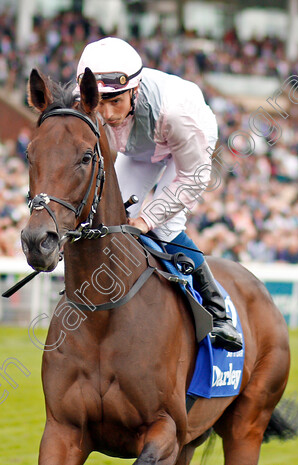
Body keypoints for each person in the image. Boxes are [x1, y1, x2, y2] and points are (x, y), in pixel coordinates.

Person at [75, 37, 242, 352]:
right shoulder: (82, 97)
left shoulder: (179, 114)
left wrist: (145, 220)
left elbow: (193, 177)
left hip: (186, 144)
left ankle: (218, 312)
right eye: (100, 101)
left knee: (163, 226)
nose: (107, 113)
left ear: (134, 91)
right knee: (107, 214)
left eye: (116, 102)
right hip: (139, 146)